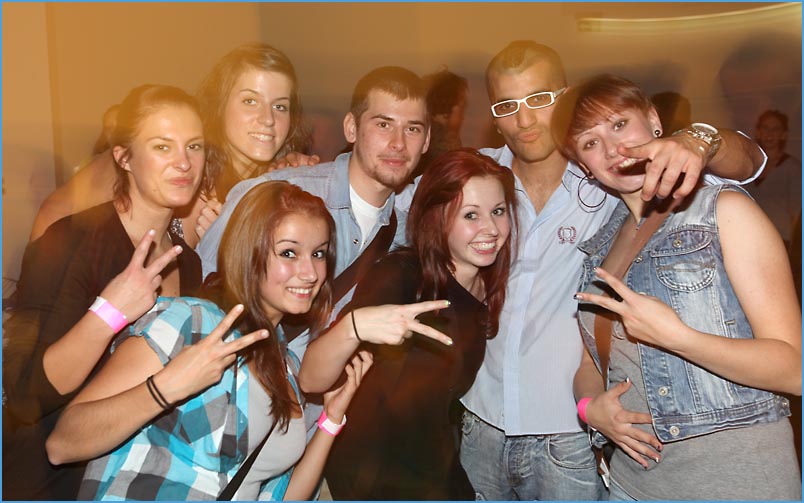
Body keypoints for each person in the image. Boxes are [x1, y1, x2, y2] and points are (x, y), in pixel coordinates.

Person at [455, 41, 767, 501]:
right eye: (507, 105)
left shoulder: (611, 170)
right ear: (495, 116)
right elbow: (392, 199)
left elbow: (749, 162)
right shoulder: (473, 178)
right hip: (480, 421)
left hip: (570, 433)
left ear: (564, 98)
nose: (524, 120)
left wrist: (698, 139)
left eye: (539, 98)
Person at [46, 181, 451, 500]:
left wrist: (331, 419)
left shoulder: (287, 368)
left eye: (319, 254)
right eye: (288, 253)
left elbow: (282, 495)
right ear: (249, 251)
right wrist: (166, 387)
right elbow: (62, 444)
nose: (310, 272)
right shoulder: (191, 322)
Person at [558, 74, 801, 500]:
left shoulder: (722, 211)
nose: (612, 149)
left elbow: (795, 369)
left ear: (654, 121)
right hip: (633, 484)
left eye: (619, 124)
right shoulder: (599, 249)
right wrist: (590, 408)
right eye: (590, 142)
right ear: (584, 167)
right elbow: (590, 365)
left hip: (736, 482)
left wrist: (680, 338)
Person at [3, 84, 205, 500]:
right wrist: (109, 313)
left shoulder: (188, 262)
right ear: (123, 157)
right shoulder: (72, 241)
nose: (184, 162)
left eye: (194, 146)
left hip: (134, 478)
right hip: (52, 480)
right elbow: (25, 393)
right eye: (162, 146)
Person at [299, 149, 516, 499]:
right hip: (370, 481)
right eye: (471, 215)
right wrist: (354, 325)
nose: (490, 229)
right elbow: (311, 378)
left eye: (498, 211)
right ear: (437, 218)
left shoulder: (487, 289)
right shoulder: (402, 276)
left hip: (435, 477)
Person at [197, 66, 435, 383]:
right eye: (383, 124)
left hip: (312, 408)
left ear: (427, 140)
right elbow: (199, 301)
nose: (398, 143)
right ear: (351, 128)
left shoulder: (407, 237)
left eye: (413, 129)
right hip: (233, 392)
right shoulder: (274, 194)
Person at [27, 42, 317, 248]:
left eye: (280, 106)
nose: (267, 119)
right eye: (250, 101)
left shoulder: (271, 180)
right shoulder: (169, 155)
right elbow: (56, 209)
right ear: (220, 104)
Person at [746, 109, 802, 250]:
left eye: (776, 129)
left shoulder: (792, 167)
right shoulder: (747, 166)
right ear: (758, 132)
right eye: (765, 128)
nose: (770, 133)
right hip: (749, 237)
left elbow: (796, 212)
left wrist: (793, 249)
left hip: (779, 240)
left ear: (784, 134)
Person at [412, 68, 469, 180]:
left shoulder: (424, 130)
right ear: (449, 103)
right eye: (461, 108)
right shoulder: (443, 141)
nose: (463, 117)